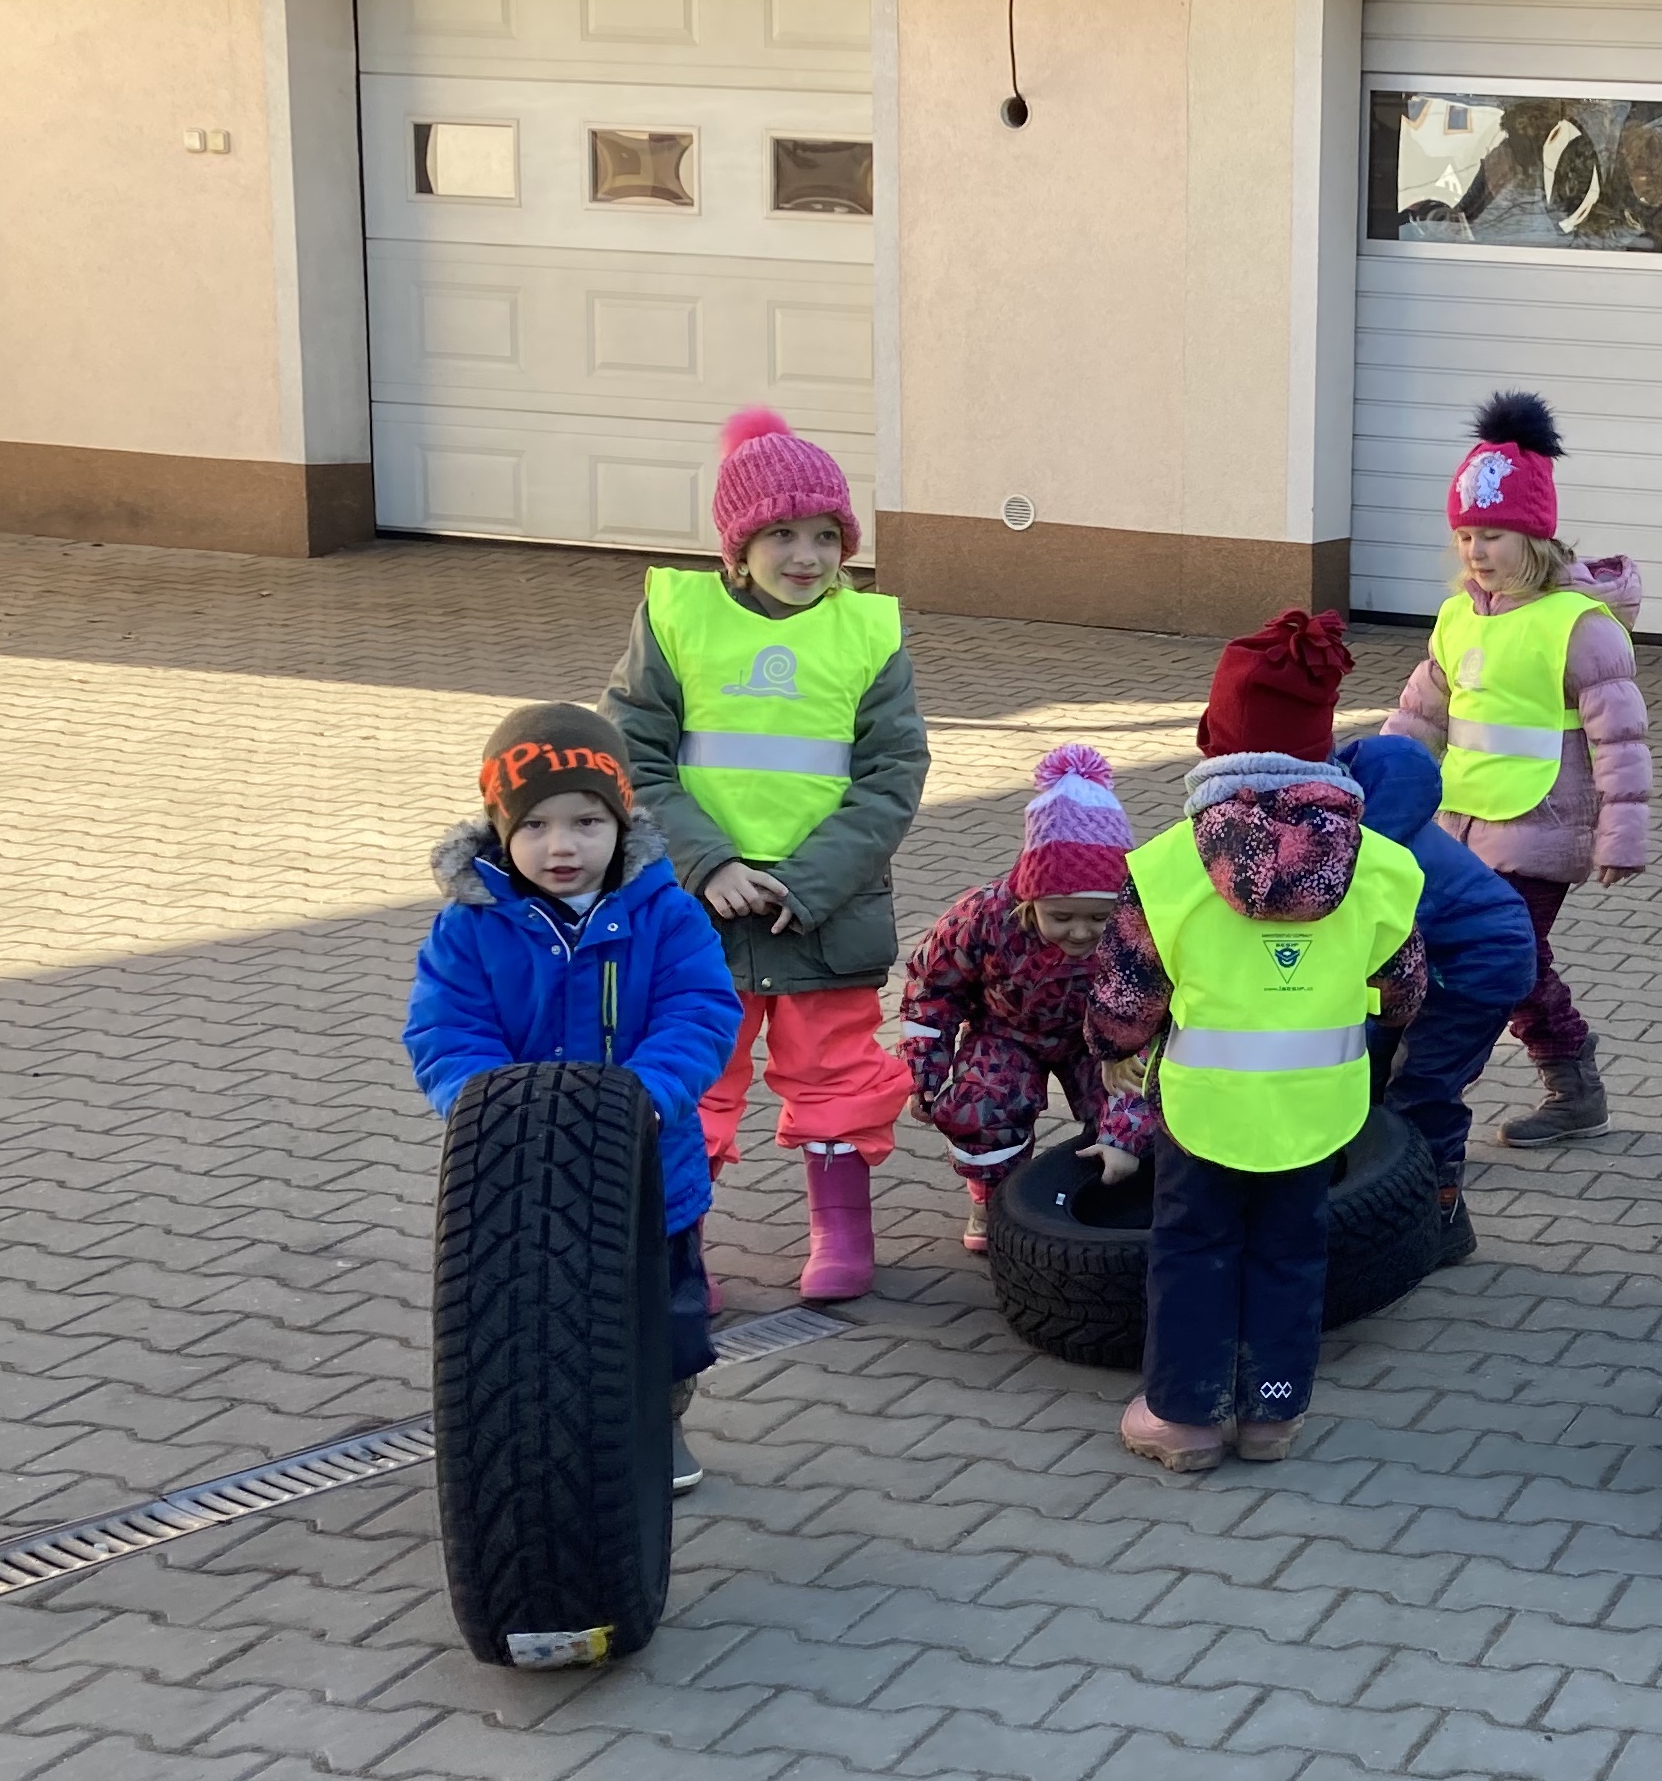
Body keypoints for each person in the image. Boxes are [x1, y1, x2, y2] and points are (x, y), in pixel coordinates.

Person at [1086, 616, 1430, 1472]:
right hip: (1317, 1108)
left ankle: (1184, 1417)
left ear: (1216, 737)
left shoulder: (1167, 865)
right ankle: (1274, 1412)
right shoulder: (1381, 865)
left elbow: (1128, 989)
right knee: (1291, 1251)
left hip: (1204, 1108)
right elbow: (1404, 987)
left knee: (1193, 1247)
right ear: (1322, 745)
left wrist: (1113, 1044)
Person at [606, 407, 929, 1302]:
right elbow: (633, 755)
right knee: (691, 1073)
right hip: (696, 906)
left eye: (826, 536)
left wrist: (811, 883)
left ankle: (840, 1231)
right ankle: (678, 1247)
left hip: (822, 908)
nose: (807, 556)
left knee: (835, 1069)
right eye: (782, 535)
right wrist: (707, 864)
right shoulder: (677, 619)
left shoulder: (867, 633)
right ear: (737, 547)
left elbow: (893, 772)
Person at [404, 705, 742, 1494]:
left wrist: (645, 1097)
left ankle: (661, 1422)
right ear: (500, 829)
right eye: (536, 825)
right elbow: (446, 1029)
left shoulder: (666, 913)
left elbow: (699, 1014)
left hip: (646, 1165)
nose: (562, 846)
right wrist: (487, 1105)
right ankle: (536, 1443)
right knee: (530, 1317)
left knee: (662, 1315)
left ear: (622, 820)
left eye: (587, 822)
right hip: (517, 1172)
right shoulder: (470, 927)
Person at [1385, 394, 1651, 1150]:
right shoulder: (1457, 618)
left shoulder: (1579, 627)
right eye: (1466, 535)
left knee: (1508, 959)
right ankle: (1553, 1079)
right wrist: (1372, 796)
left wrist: (1622, 835)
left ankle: (1531, 1087)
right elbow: (1419, 716)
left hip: (1544, 824)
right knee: (1479, 955)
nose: (1476, 551)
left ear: (1536, 537)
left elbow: (1621, 740)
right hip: (1459, 825)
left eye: (1493, 535)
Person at [899, 745, 1157, 1257]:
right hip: (1007, 1034)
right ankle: (994, 1201)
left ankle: (1110, 1189)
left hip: (1103, 1039)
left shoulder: (1140, 927)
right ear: (1029, 898)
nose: (1080, 932)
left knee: (1136, 1094)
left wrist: (1128, 1103)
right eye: (1060, 917)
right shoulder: (982, 918)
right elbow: (932, 992)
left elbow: (1157, 1010)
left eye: (1098, 917)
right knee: (982, 1104)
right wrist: (924, 1077)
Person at [1334, 730, 1539, 1265]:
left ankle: (1439, 1210)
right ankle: (1377, 1184)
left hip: (1478, 973)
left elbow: (1379, 947)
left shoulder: (1391, 857)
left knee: (1423, 1088)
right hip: (1445, 964)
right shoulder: (1388, 836)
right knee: (1370, 1069)